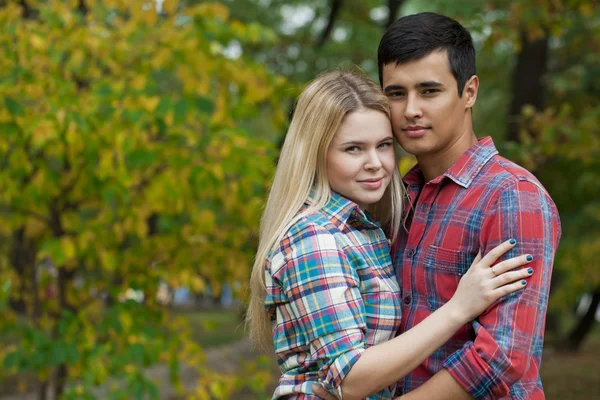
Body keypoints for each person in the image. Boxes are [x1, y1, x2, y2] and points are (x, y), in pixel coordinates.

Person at [247, 71, 534, 399]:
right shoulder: (316, 239)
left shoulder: (363, 229)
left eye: (383, 145)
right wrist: (460, 307)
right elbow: (350, 379)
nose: (375, 163)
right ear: (314, 154)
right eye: (353, 149)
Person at [376, 12, 561, 400]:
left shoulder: (512, 195)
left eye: (429, 91)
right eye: (396, 93)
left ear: (470, 91)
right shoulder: (392, 198)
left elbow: (502, 357)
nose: (410, 109)